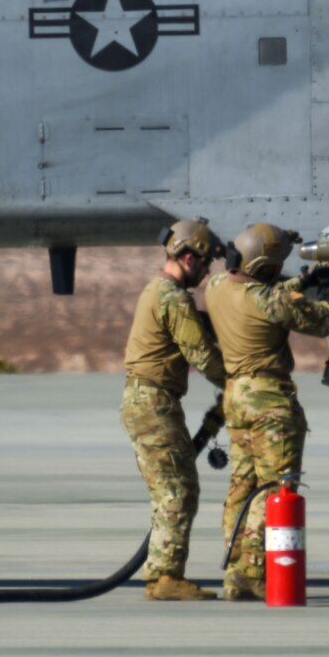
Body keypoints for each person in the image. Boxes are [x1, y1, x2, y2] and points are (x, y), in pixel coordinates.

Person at [203, 224, 329, 601]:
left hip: (236, 396)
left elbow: (260, 290)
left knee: (243, 486)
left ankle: (236, 569)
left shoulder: (216, 287)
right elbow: (326, 319)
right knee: (276, 488)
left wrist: (296, 280)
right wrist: (328, 284)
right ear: (265, 266)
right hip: (268, 401)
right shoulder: (271, 302)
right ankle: (253, 572)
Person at [121, 219, 228, 601]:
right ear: (187, 257)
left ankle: (163, 572)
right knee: (177, 489)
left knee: (174, 487)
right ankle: (165, 577)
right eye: (204, 264)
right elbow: (201, 354)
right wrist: (238, 384)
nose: (207, 272)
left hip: (148, 400)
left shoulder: (160, 291)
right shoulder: (173, 298)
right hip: (153, 401)